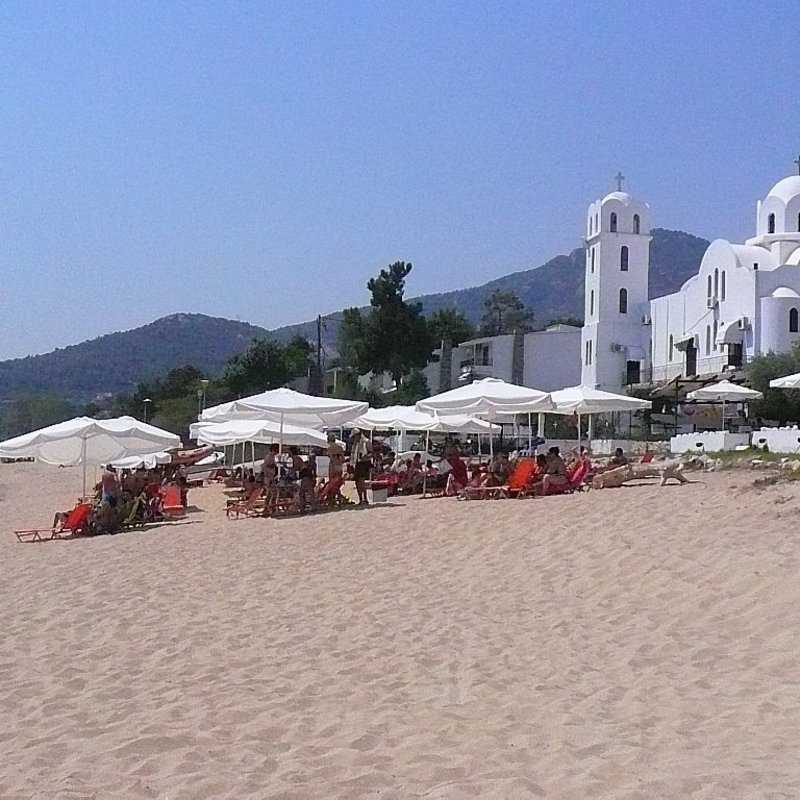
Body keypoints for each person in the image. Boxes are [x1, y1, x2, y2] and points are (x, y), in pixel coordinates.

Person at [349, 428, 371, 505]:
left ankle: (365, 498)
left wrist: (365, 456)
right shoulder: (355, 444)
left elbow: (371, 453)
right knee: (357, 482)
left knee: (361, 482)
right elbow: (353, 455)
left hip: (363, 463)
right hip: (356, 464)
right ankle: (361, 499)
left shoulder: (366, 442)